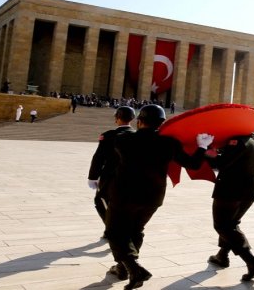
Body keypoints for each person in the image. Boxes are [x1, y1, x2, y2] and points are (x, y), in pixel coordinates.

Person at [105, 104, 214, 289]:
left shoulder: (123, 139)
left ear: (139, 122)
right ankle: (125, 269)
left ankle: (134, 269)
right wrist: (202, 146)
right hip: (152, 197)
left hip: (125, 194)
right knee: (135, 231)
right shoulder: (170, 143)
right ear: (161, 123)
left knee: (115, 233)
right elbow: (193, 164)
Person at [206, 133, 254, 281]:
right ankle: (222, 255)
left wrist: (207, 150)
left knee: (222, 226)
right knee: (231, 223)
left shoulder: (238, 142)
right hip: (250, 191)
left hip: (231, 189)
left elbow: (220, 163)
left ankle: (252, 262)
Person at [87, 106, 136, 241]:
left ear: (117, 119)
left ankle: (111, 230)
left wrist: (92, 177)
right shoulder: (137, 136)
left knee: (100, 201)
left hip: (110, 178)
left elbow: (99, 157)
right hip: (130, 178)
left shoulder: (109, 136)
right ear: (132, 119)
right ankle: (120, 230)